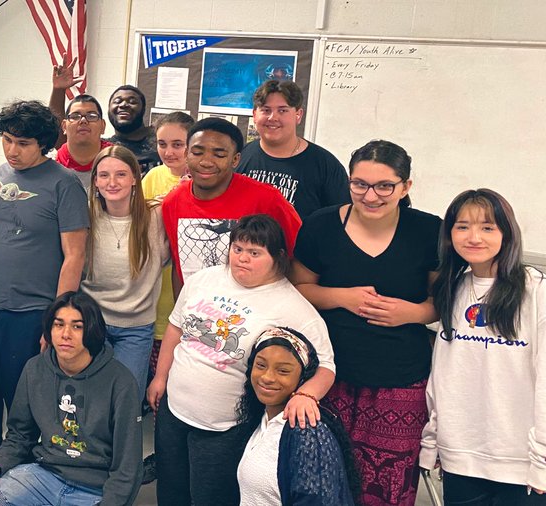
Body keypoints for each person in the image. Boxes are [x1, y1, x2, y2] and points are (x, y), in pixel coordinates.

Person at [291, 140, 441, 506]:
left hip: (401, 379)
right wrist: (342, 297)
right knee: (323, 477)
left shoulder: (429, 231)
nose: (370, 195)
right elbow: (298, 288)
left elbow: (441, 302)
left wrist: (414, 313)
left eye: (384, 186)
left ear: (406, 186)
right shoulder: (321, 225)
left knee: (388, 484)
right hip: (330, 373)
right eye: (360, 184)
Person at [148, 214, 336, 505]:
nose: (242, 259)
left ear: (278, 258)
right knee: (172, 491)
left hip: (225, 426)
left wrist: (306, 396)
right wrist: (160, 377)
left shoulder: (293, 306)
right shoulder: (205, 279)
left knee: (210, 498)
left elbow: (326, 366)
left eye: (254, 253)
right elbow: (175, 326)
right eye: (237, 249)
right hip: (174, 411)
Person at [0, 100, 88, 470]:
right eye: (6, 139)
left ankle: (18, 464)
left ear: (43, 144)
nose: (12, 150)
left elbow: (75, 256)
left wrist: (58, 320)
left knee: (20, 396)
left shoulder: (64, 184)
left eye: (22, 143)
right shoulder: (2, 172)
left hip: (32, 309)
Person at [0, 291, 143, 505]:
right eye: (58, 324)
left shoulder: (120, 381)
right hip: (43, 476)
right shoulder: (35, 369)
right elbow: (19, 436)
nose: (66, 334)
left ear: (91, 330)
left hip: (96, 489)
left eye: (77, 326)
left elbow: (127, 467)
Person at [421, 188, 546, 503]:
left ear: (507, 233)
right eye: (462, 226)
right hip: (460, 458)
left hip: (521, 465)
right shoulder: (454, 287)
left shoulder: (535, 291)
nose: (473, 237)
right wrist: (433, 440)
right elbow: (444, 375)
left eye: (487, 227)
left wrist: (542, 460)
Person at [161, 117, 301, 289]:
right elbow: (179, 265)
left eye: (219, 155)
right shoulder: (172, 202)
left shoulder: (267, 199)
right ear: (186, 155)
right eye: (197, 153)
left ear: (235, 160)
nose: (206, 162)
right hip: (196, 310)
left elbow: (299, 258)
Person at [81, 145, 167, 402]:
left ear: (134, 178)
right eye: (104, 175)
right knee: (90, 398)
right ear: (95, 181)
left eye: (120, 174)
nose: (112, 182)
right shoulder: (85, 214)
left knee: (126, 398)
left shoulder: (157, 215)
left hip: (136, 327)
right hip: (92, 321)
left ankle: (121, 444)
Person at [236, 327, 358, 505]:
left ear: (303, 378)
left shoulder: (306, 432)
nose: (268, 377)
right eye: (261, 365)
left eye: (283, 371)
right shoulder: (261, 420)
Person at [236, 80, 350, 218]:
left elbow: (341, 220)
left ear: (298, 115)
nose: (273, 117)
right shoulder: (240, 156)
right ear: (255, 115)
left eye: (282, 110)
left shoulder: (325, 165)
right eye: (266, 110)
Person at [140, 111, 194, 396]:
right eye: (162, 144)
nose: (169, 152)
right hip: (157, 282)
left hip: (189, 279)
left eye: (177, 144)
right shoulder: (153, 177)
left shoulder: (203, 180)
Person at [49, 61, 161, 169]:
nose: (124, 105)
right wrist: (59, 90)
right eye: (117, 101)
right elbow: (60, 137)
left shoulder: (161, 138)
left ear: (143, 108)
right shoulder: (105, 149)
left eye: (132, 101)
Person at [54, 95, 113, 193]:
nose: (83, 121)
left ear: (103, 126)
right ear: (64, 126)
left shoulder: (120, 161)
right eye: (75, 116)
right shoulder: (49, 165)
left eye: (91, 116)